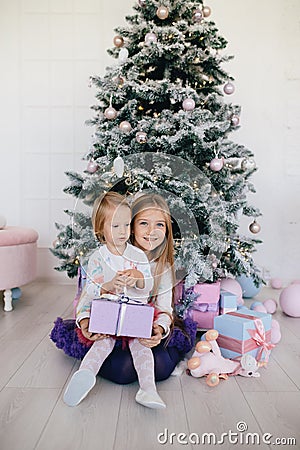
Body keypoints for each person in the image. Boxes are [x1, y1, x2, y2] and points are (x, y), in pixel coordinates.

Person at [50, 193, 197, 394]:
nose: (152, 231)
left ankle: (147, 388)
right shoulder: (108, 257)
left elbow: (164, 308)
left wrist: (159, 330)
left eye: (160, 225)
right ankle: (86, 374)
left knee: (160, 367)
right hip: (110, 323)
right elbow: (89, 296)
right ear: (132, 225)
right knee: (122, 370)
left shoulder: (162, 267)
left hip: (141, 326)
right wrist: (85, 323)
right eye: (144, 223)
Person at [63, 192, 166, 409]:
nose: (123, 232)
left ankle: (148, 390)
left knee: (141, 345)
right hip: (108, 314)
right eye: (115, 226)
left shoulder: (137, 255)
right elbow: (89, 291)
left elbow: (147, 287)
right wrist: (108, 286)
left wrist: (137, 278)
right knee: (102, 342)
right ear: (100, 229)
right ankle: (84, 376)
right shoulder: (98, 258)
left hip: (134, 313)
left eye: (127, 225)